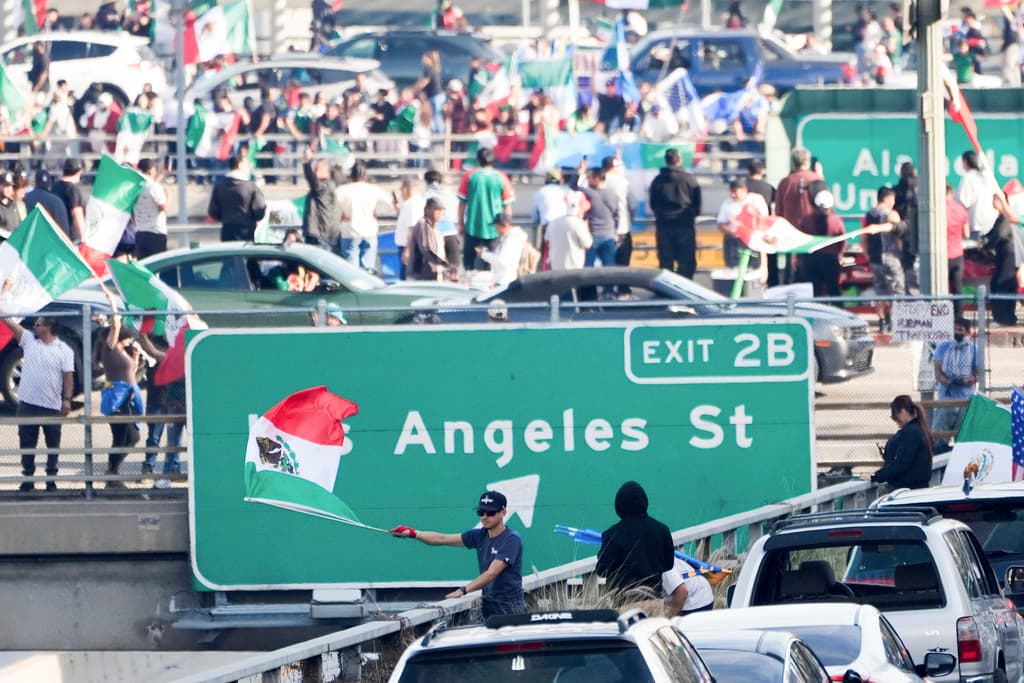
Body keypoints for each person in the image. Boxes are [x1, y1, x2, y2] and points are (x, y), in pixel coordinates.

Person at [390, 490, 527, 618]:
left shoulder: (511, 539)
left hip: (511, 609)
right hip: (489, 608)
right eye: (481, 512)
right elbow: (441, 539)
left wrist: (462, 591)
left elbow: (492, 573)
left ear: (503, 512)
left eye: (490, 513)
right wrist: (412, 533)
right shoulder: (478, 535)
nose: (484, 517)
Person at [0, 313, 74, 492]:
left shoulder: (64, 350)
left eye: (39, 324)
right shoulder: (29, 341)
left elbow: (68, 377)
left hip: (52, 406)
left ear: (48, 327)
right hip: (27, 404)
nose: (35, 326)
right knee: (27, 444)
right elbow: (10, 323)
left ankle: (51, 479)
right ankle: (28, 478)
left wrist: (67, 400)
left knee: (53, 445)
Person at [97, 301, 148, 486]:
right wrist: (113, 306)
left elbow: (129, 373)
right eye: (129, 338)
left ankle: (112, 471)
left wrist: (134, 357)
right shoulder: (110, 348)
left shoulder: (123, 351)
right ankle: (112, 473)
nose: (131, 341)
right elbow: (115, 326)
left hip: (129, 396)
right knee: (123, 436)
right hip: (118, 397)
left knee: (132, 437)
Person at [596, 481, 675, 597]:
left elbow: (602, 570)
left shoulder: (612, 534)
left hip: (625, 602)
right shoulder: (662, 530)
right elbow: (669, 564)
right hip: (655, 600)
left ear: (619, 505)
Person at [457, 148, 515, 272]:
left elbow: (462, 203)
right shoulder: (501, 177)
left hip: (472, 226)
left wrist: (460, 223)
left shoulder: (470, 176)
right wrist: (508, 226)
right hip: (494, 229)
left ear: (478, 160)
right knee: (492, 264)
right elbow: (507, 205)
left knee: (468, 265)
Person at [648, 148, 701, 278]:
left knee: (666, 261)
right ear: (679, 160)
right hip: (685, 223)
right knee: (686, 260)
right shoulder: (689, 179)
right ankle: (686, 290)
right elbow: (697, 203)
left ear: (666, 161)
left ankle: (667, 292)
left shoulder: (657, 180)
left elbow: (653, 203)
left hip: (664, 224)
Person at [336, 160, 391, 272]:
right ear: (365, 175)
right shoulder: (373, 190)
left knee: (350, 270)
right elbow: (388, 202)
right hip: (369, 230)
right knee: (367, 269)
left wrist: (342, 214)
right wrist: (376, 211)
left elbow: (334, 207)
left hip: (350, 230)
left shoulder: (341, 191)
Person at [863, 186, 905, 332]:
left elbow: (864, 237)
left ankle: (882, 322)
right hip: (890, 256)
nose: (894, 202)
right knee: (897, 290)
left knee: (879, 290)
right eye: (892, 199)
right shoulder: (891, 214)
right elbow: (899, 235)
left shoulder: (869, 214)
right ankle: (896, 321)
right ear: (886, 198)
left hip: (874, 257)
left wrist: (867, 254)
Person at [932, 317, 978, 448]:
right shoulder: (943, 347)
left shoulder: (974, 349)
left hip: (965, 400)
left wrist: (969, 380)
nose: (957, 331)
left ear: (967, 332)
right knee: (939, 439)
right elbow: (937, 372)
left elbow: (978, 373)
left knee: (963, 440)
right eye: (955, 329)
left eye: (960, 329)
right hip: (946, 399)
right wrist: (947, 381)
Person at [871, 395, 933, 490]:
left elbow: (902, 463)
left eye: (895, 417)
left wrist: (875, 476)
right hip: (919, 487)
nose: (895, 421)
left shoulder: (910, 433)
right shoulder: (921, 429)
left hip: (907, 489)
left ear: (903, 412)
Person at [797, 189, 846, 298]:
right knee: (833, 289)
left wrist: (798, 257)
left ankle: (815, 313)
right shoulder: (836, 220)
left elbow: (800, 239)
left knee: (814, 291)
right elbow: (842, 240)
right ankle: (837, 313)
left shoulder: (805, 220)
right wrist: (840, 253)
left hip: (810, 258)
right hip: (830, 259)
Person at [208, 155, 267, 242]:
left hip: (227, 230)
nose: (249, 167)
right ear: (240, 165)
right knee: (246, 254)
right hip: (247, 231)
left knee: (228, 254)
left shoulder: (220, 186)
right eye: (247, 164)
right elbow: (259, 209)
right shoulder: (251, 187)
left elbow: (213, 211)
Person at [716, 177, 768, 269]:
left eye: (735, 192)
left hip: (752, 240)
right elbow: (721, 224)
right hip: (734, 240)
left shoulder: (756, 199)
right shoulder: (727, 204)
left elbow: (764, 219)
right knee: (734, 268)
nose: (733, 195)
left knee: (753, 268)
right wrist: (732, 231)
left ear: (744, 190)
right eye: (731, 192)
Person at [301, 147, 339, 252]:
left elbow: (311, 179)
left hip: (319, 233)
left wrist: (307, 162)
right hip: (320, 233)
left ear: (327, 171)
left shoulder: (324, 186)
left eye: (318, 169)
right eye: (315, 169)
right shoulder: (326, 185)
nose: (315, 171)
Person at [957, 150, 999, 240]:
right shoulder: (988, 176)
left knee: (976, 253)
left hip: (977, 226)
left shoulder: (968, 178)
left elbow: (962, 203)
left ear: (965, 162)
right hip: (993, 224)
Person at [546, 191, 592, 272]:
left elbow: (547, 240)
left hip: (555, 266)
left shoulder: (553, 223)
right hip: (573, 267)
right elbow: (588, 243)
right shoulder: (578, 224)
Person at [404, 198, 449, 281]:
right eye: (436, 209)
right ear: (427, 209)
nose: (440, 213)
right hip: (421, 275)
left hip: (432, 274)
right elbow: (426, 249)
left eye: (441, 210)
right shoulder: (423, 224)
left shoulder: (435, 227)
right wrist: (444, 264)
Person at [133, 159, 168, 260]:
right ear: (152, 170)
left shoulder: (136, 186)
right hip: (155, 232)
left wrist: (161, 176)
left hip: (140, 232)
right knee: (159, 265)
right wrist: (168, 196)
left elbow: (149, 188)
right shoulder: (155, 187)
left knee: (145, 267)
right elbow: (163, 207)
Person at [480, 214, 528, 287]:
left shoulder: (511, 239)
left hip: (504, 282)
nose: (495, 228)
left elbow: (501, 261)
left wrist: (483, 254)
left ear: (505, 225)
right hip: (503, 279)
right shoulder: (508, 237)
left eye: (496, 226)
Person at [894, 161, 920, 294]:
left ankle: (911, 292)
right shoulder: (922, 186)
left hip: (904, 229)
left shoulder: (897, 189)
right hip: (922, 228)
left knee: (907, 262)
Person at [945, 183, 970, 318]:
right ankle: (959, 317)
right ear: (951, 193)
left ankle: (941, 317)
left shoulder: (936, 209)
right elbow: (966, 233)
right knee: (957, 287)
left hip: (941, 255)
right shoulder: (960, 209)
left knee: (940, 289)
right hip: (957, 253)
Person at [24, 169, 70, 238]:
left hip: (28, 242)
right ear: (49, 183)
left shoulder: (25, 198)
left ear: (35, 182)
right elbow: (64, 231)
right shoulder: (57, 202)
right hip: (50, 244)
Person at [52, 158, 86, 243]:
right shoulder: (73, 189)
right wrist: (84, 239)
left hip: (56, 235)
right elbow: (77, 214)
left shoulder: (55, 187)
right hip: (70, 238)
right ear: (78, 172)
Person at [0, 172, 20, 238]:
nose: (9, 189)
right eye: (6, 186)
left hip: (14, 244)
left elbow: (19, 224)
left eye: (10, 186)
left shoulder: (13, 204)